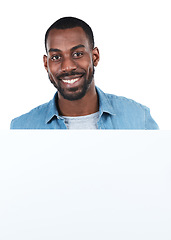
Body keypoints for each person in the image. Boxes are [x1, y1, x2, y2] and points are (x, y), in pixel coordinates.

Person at [10, 17, 159, 129]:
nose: (67, 67)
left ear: (95, 57)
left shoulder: (139, 119)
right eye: (56, 57)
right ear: (46, 63)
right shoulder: (22, 128)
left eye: (78, 54)